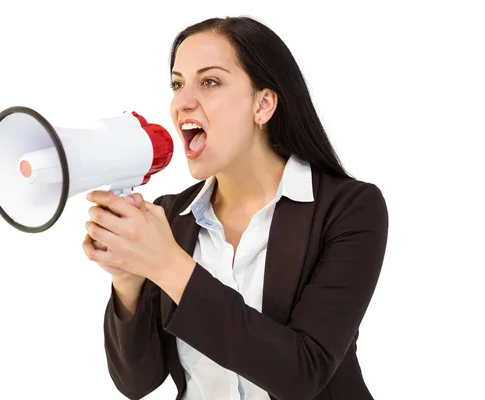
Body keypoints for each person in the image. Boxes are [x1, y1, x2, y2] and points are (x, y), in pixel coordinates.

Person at [82, 16, 388, 400]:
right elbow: (136, 381)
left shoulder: (349, 209)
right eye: (177, 84)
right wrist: (128, 280)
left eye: (209, 82)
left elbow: (302, 373)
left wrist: (167, 265)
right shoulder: (170, 217)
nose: (182, 102)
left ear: (263, 105)